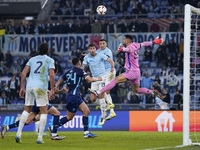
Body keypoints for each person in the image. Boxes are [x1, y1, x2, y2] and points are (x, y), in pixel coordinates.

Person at [89, 35, 164, 100]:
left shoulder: (129, 47)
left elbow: (127, 50)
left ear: (128, 40)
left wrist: (122, 49)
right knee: (136, 91)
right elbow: (144, 44)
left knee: (115, 80)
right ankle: (153, 92)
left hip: (131, 72)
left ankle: (97, 92)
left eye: (124, 39)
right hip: (137, 72)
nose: (123, 40)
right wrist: (153, 42)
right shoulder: (136, 44)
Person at [47, 57, 101, 139]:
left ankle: (86, 133)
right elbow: (89, 79)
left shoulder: (68, 72)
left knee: (86, 111)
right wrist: (98, 79)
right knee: (69, 117)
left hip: (75, 96)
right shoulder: (80, 71)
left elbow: (61, 79)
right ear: (79, 63)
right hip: (73, 96)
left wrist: (55, 86)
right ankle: (53, 128)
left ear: (72, 64)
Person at [16, 43, 55, 144]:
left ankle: (19, 133)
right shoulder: (50, 60)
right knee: (43, 112)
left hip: (29, 86)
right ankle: (40, 138)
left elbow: (23, 73)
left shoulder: (32, 59)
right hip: (41, 87)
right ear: (48, 50)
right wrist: (52, 89)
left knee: (26, 110)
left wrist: (22, 87)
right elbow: (51, 74)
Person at [83, 43, 114, 126]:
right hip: (94, 79)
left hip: (102, 78)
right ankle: (105, 105)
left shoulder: (100, 55)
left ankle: (103, 116)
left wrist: (112, 68)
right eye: (90, 49)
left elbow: (110, 60)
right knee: (93, 99)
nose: (92, 50)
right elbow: (83, 67)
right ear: (89, 50)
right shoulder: (87, 57)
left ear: (95, 49)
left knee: (101, 95)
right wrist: (83, 73)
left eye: (93, 48)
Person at [97, 39, 116, 120]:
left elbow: (105, 59)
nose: (102, 45)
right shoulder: (98, 51)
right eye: (100, 43)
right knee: (105, 92)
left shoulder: (108, 51)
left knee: (105, 90)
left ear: (106, 44)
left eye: (103, 43)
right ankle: (111, 111)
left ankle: (110, 110)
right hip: (103, 73)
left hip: (109, 72)